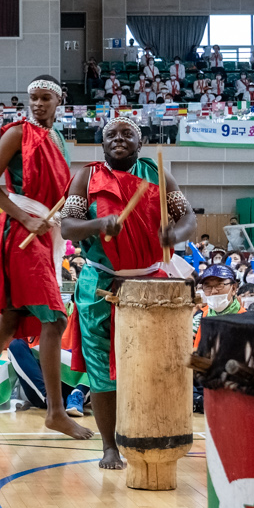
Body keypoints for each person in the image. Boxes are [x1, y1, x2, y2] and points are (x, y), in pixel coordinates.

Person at [0, 76, 90, 440]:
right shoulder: (17, 133)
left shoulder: (59, 139)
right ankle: (55, 411)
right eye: (34, 98)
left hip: (44, 231)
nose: (38, 103)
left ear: (59, 101)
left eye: (45, 98)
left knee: (9, 322)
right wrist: (23, 215)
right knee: (55, 318)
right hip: (20, 231)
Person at [58, 116, 195, 471]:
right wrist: (98, 224)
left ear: (140, 141)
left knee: (152, 362)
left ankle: (150, 433)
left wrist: (174, 235)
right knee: (102, 369)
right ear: (102, 143)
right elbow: (69, 228)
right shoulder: (85, 177)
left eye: (127, 134)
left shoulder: (157, 174)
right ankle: (109, 446)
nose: (119, 139)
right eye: (111, 135)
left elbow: (189, 219)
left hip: (150, 281)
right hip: (100, 284)